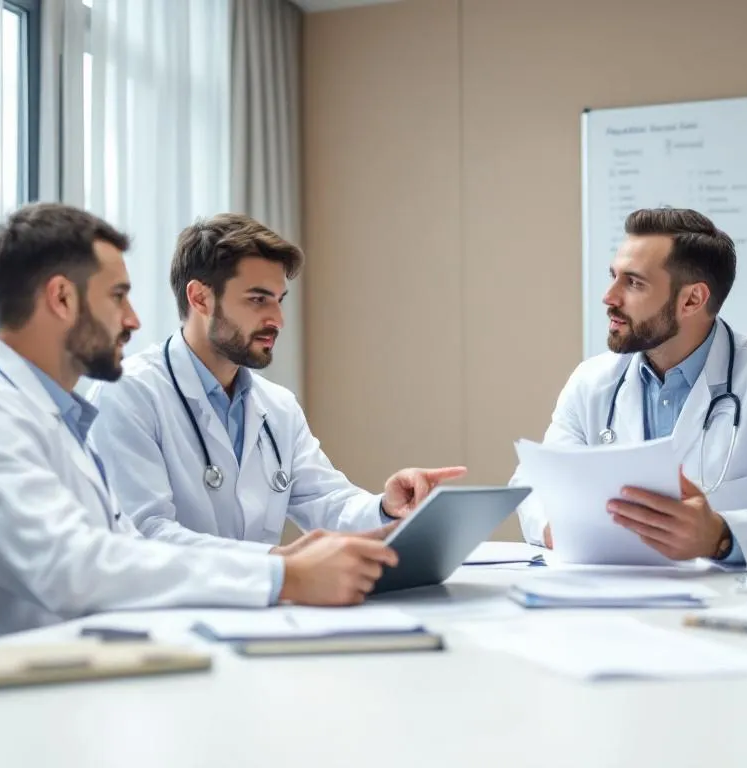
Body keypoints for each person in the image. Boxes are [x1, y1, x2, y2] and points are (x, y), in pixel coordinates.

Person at [0, 203, 399, 645]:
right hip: (20, 698)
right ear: (62, 299)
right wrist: (280, 574)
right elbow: (80, 568)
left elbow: (120, 550)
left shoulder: (48, 415)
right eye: (118, 296)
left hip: (92, 659)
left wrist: (298, 561)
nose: (134, 320)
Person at [88, 213, 465, 552]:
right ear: (200, 298)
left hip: (262, 611)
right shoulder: (128, 393)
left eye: (279, 300)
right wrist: (278, 562)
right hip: (169, 619)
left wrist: (385, 505)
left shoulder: (277, 406)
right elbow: (146, 533)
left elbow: (328, 501)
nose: (278, 320)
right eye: (258, 299)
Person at [510, 208, 747, 570]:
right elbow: (536, 482)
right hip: (612, 601)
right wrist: (556, 528)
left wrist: (721, 535)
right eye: (613, 276)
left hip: (734, 605)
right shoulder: (591, 382)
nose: (609, 297)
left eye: (633, 283)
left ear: (692, 300)